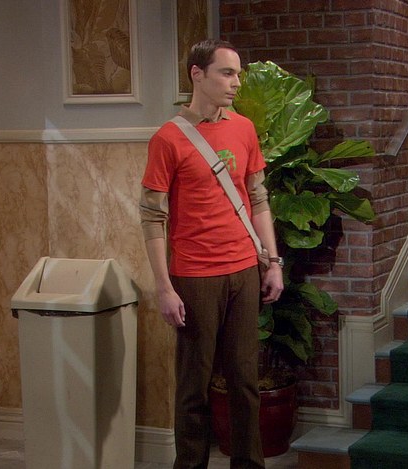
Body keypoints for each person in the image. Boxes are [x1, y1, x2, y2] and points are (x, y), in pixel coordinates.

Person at [139, 39, 284, 469]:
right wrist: (164, 287)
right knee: (194, 388)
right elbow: (152, 217)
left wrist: (273, 263)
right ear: (197, 75)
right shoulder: (168, 139)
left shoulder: (243, 129)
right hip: (195, 275)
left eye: (238, 73)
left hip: (243, 270)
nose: (236, 82)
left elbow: (258, 199)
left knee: (244, 382)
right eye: (227, 73)